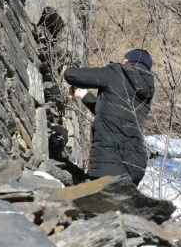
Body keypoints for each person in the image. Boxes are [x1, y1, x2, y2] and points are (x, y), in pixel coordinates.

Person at [63, 49, 154, 185]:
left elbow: (71, 75)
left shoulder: (117, 71)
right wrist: (84, 96)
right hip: (136, 164)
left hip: (109, 158)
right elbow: (112, 114)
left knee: (101, 203)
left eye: (124, 59)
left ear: (127, 60)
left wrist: (68, 68)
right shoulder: (148, 90)